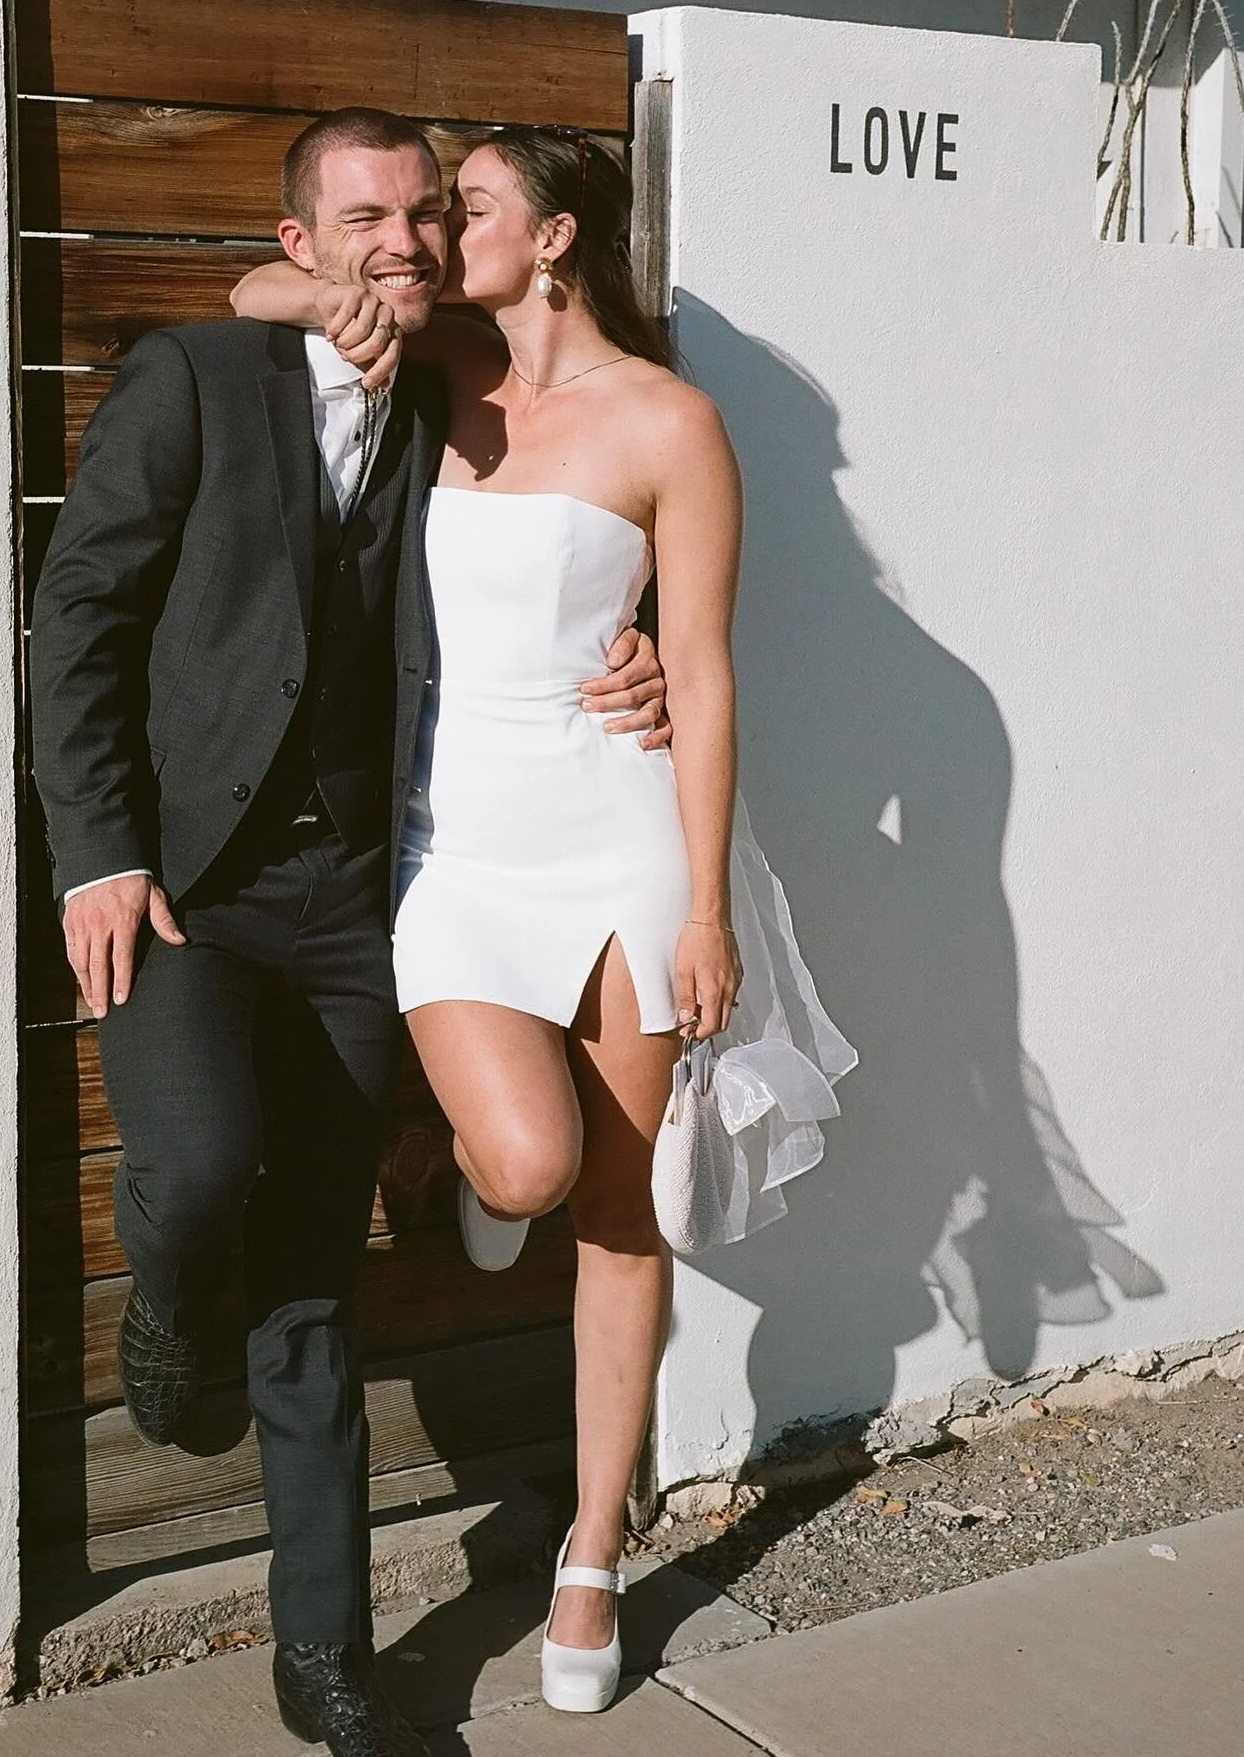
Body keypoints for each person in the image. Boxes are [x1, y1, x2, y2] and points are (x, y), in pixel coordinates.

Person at [28, 108, 669, 1757]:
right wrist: (94, 854)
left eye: (422, 216)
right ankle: (166, 1308)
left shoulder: (455, 392)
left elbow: (563, 541)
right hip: (182, 890)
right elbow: (79, 618)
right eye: (363, 218)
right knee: (190, 1169)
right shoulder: (193, 381)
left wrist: (641, 653)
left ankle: (330, 1662)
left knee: (313, 1286)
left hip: (356, 902)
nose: (401, 241)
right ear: (303, 245)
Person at [231, 126, 854, 1717]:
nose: (439, 233)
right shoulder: (435, 367)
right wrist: (336, 305)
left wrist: (707, 906)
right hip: (455, 848)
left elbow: (701, 670)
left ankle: (590, 1551)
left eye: (471, 208)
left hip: (620, 845)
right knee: (529, 1159)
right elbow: (251, 295)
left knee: (620, 1213)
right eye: (429, 211)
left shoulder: (670, 420)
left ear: (557, 237)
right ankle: (468, 1161)